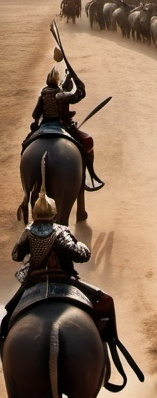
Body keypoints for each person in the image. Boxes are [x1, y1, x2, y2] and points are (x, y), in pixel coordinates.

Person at [1, 192, 112, 345]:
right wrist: (80, 244)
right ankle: (111, 344)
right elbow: (81, 255)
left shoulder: (28, 231)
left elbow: (16, 255)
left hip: (34, 281)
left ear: (34, 214)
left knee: (7, 316)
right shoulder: (61, 231)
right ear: (54, 214)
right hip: (65, 281)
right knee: (106, 301)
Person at [27, 65, 104, 190]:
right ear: (57, 82)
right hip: (62, 126)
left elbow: (35, 114)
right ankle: (86, 177)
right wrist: (75, 77)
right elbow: (80, 93)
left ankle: (27, 191)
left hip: (44, 126)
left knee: (26, 144)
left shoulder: (43, 95)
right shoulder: (61, 95)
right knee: (87, 140)